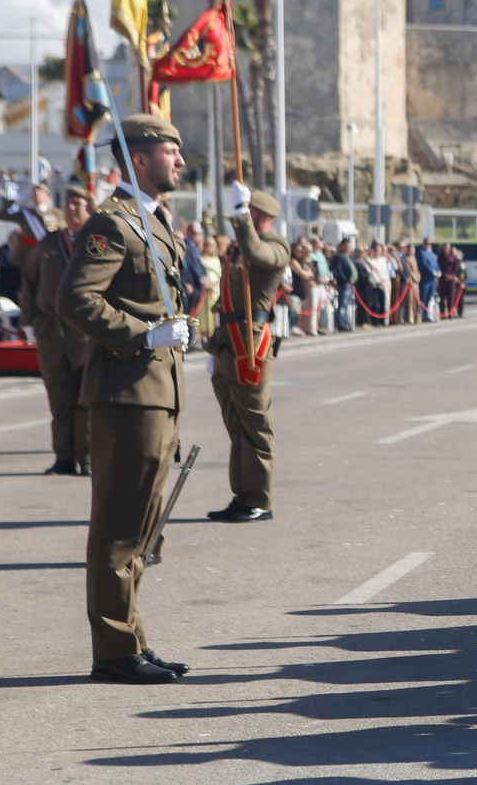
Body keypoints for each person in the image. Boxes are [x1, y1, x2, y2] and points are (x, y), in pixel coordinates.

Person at [57, 114, 193, 685]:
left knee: (140, 529)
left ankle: (131, 636)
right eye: (171, 150)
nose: (180, 161)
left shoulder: (152, 222)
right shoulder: (111, 224)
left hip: (156, 395)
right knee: (117, 526)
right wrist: (145, 335)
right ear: (139, 159)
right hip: (127, 394)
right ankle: (113, 651)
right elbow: (76, 298)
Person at [205, 182, 291, 524]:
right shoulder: (239, 250)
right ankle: (242, 495)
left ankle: (259, 498)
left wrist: (242, 221)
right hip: (228, 341)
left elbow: (259, 254)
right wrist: (213, 345)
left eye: (250, 213)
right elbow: (225, 298)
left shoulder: (276, 246)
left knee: (255, 425)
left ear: (262, 217)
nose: (243, 219)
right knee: (236, 426)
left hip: (249, 344)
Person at [18, 183, 93, 475]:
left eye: (79, 203)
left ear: (89, 208)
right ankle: (63, 456)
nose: (72, 208)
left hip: (85, 332)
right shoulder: (49, 244)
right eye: (69, 203)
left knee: (85, 396)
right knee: (57, 395)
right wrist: (28, 321)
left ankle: (86, 456)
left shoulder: (96, 242)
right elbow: (29, 281)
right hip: (50, 330)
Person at [198, 235, 222, 343]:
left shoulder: (216, 259)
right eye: (207, 244)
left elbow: (219, 274)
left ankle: (212, 334)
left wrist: (214, 284)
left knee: (213, 312)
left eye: (211, 245)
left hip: (214, 289)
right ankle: (203, 334)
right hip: (204, 289)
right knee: (203, 312)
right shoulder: (200, 258)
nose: (209, 247)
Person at [416, 237, 441, 320]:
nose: (428, 245)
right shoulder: (421, 253)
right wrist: (433, 272)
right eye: (426, 243)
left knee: (429, 298)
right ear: (423, 243)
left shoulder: (431, 253)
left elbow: (436, 264)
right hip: (425, 279)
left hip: (432, 280)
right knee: (423, 297)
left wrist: (438, 271)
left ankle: (426, 314)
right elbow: (424, 265)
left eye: (429, 243)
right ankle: (422, 315)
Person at [438, 242, 464, 319]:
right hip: (443, 278)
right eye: (446, 247)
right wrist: (444, 274)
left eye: (448, 248)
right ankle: (442, 313)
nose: (447, 249)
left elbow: (456, 267)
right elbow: (439, 267)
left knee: (451, 297)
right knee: (442, 297)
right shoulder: (441, 257)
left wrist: (452, 275)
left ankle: (450, 313)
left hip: (451, 279)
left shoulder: (453, 257)